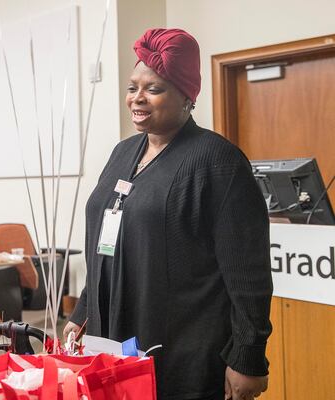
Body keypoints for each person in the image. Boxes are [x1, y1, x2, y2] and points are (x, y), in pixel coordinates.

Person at [64, 28, 273, 400]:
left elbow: (248, 275)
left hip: (182, 352)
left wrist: (248, 356)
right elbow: (105, 245)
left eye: (154, 89)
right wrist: (82, 312)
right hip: (110, 343)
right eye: (132, 88)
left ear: (187, 97)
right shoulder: (122, 153)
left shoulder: (217, 162)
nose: (137, 99)